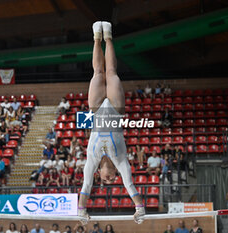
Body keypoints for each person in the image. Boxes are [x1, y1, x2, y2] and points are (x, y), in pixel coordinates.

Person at [78, 21, 145, 225]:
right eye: (112, 179)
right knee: (112, 72)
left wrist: (81, 211)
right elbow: (130, 185)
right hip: (116, 108)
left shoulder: (92, 160)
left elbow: (86, 185)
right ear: (115, 172)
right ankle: (108, 36)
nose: (110, 179)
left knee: (98, 72)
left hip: (96, 109)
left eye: (105, 180)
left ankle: (96, 38)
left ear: (100, 173)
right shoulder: (121, 160)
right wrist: (139, 208)